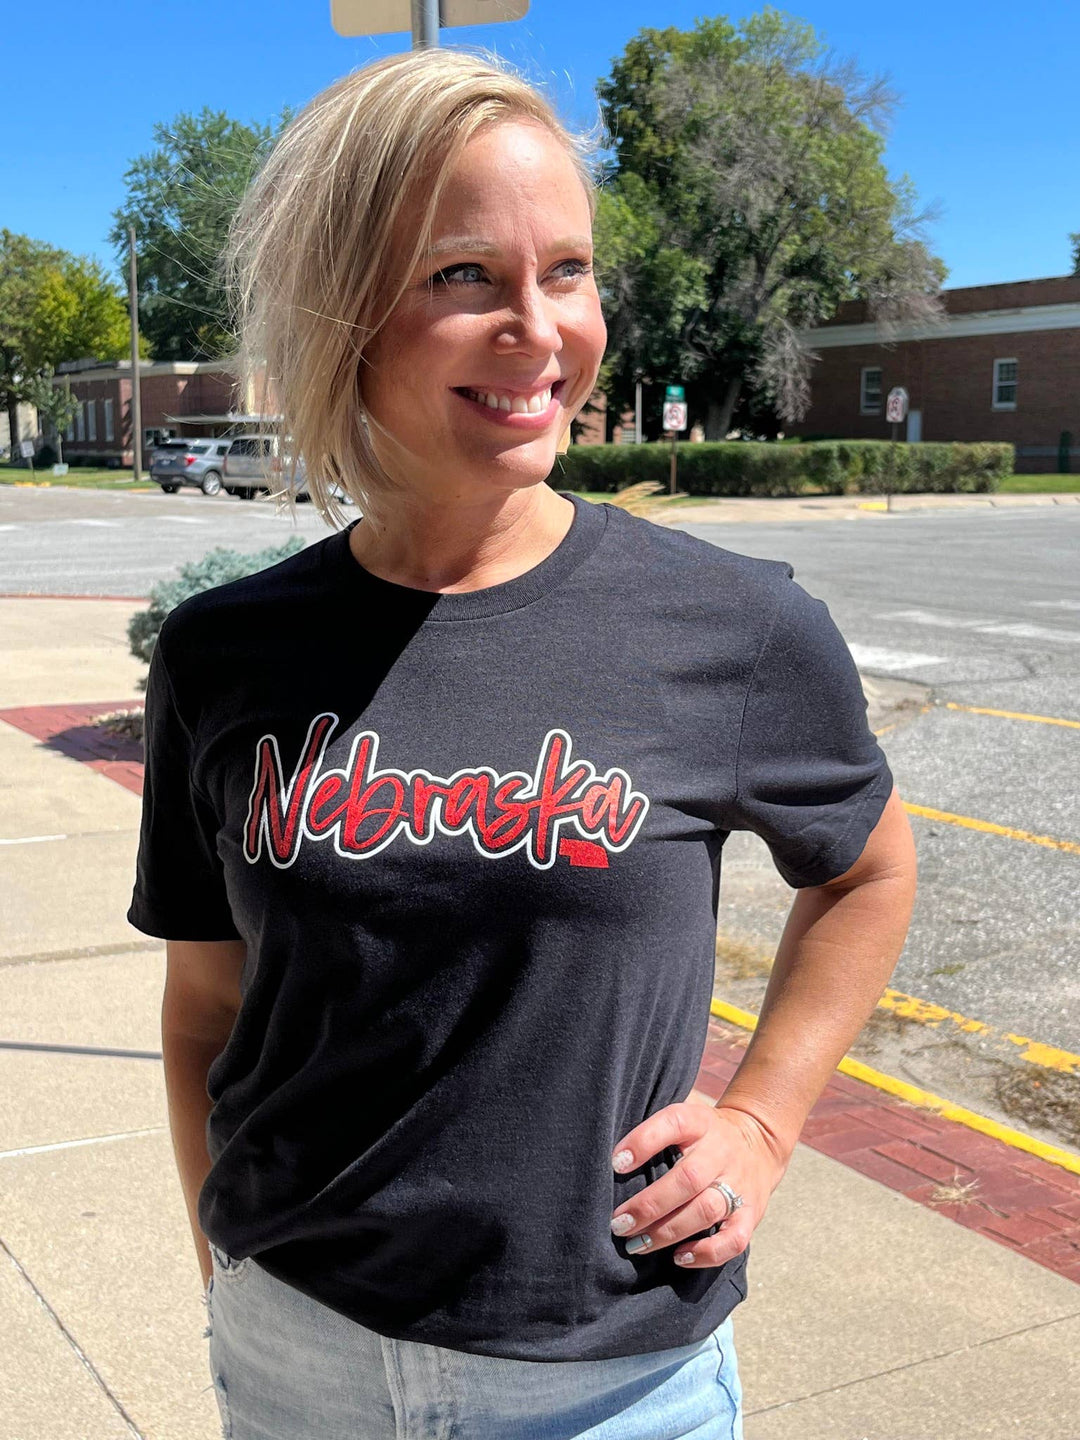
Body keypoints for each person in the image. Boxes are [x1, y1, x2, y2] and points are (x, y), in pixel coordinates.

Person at [127, 47, 918, 1440]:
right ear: (343, 315)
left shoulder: (729, 628)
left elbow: (864, 871)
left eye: (567, 271)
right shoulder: (225, 653)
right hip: (295, 1355)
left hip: (614, 1385)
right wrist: (225, 1264)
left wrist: (766, 1121)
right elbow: (206, 1011)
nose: (540, 330)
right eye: (463, 278)